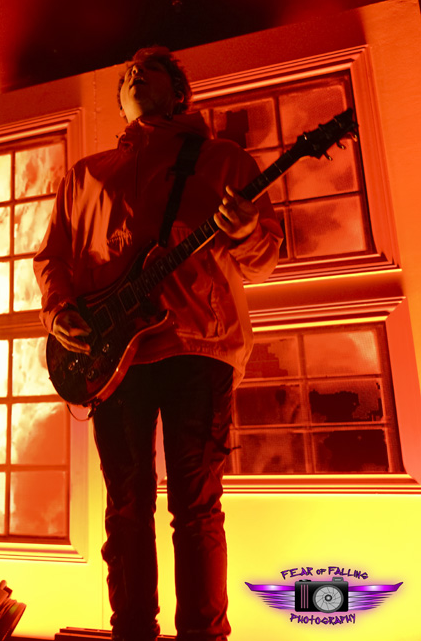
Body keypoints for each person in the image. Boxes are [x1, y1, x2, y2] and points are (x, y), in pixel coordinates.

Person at [34, 47, 282, 641]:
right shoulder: (85, 175)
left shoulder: (223, 160)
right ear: (120, 101)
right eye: (124, 75)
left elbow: (266, 259)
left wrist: (247, 230)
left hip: (201, 344)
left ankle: (204, 635)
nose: (132, 74)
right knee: (126, 510)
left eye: (150, 70)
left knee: (195, 509)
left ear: (179, 93)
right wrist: (60, 312)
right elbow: (52, 259)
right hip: (111, 363)